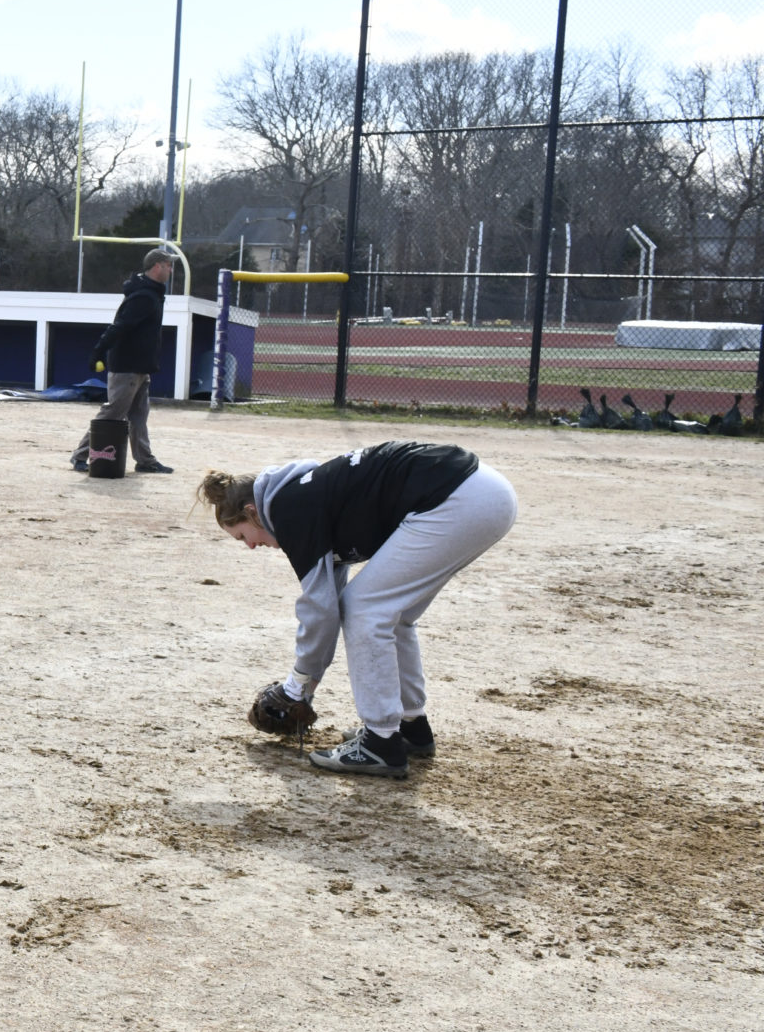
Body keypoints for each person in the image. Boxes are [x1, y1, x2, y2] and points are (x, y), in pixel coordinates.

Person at [198, 442, 519, 778]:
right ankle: (410, 726)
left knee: (365, 608)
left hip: (457, 499)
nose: (251, 546)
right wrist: (306, 682)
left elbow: (320, 610)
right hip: (483, 494)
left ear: (252, 512)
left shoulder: (287, 508)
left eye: (242, 536)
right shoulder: (302, 496)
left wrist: (298, 686)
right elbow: (327, 600)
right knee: (391, 614)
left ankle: (381, 743)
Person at [71, 246, 177, 475]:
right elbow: (119, 327)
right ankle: (80, 455)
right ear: (157, 266)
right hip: (127, 367)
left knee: (139, 416)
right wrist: (98, 352)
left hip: (140, 367)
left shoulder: (152, 294)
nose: (171, 270)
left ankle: (145, 460)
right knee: (113, 413)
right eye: (169, 265)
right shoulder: (143, 297)